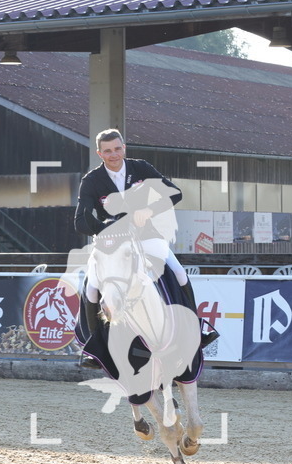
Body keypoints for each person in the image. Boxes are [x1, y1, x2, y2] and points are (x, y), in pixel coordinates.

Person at [73, 128, 217, 369]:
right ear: (100, 153)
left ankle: (196, 331)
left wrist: (150, 210)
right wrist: (104, 226)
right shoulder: (91, 181)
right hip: (112, 243)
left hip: (146, 235)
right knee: (92, 286)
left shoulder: (141, 168)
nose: (114, 155)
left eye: (117, 149)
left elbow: (175, 193)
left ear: (123, 148)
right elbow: (80, 222)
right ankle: (95, 348)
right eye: (107, 151)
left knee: (179, 271)